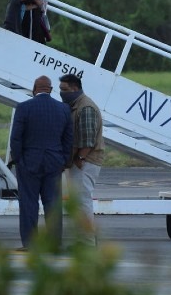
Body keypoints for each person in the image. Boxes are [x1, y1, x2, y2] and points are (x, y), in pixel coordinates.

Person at [9, 75, 73, 250]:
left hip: (29, 162)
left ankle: (30, 244)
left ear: (34, 89)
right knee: (53, 204)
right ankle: (54, 243)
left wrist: (19, 160)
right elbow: (68, 139)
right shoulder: (63, 109)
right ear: (51, 90)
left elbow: (16, 139)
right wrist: (64, 161)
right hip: (54, 163)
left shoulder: (23, 108)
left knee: (29, 203)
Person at [59, 74, 105, 245]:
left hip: (86, 161)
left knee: (83, 202)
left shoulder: (85, 107)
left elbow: (88, 139)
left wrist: (79, 157)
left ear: (75, 88)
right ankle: (83, 240)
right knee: (78, 203)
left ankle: (87, 242)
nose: (62, 93)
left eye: (64, 90)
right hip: (81, 161)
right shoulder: (76, 105)